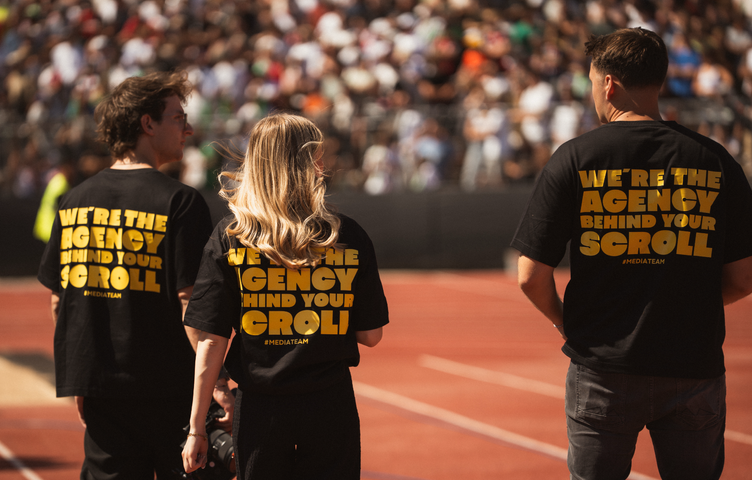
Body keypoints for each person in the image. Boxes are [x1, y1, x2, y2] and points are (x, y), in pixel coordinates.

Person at [511, 27, 752, 480]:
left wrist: (566, 320)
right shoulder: (716, 160)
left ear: (608, 84)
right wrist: (686, 305)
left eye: (591, 82)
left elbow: (530, 275)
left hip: (603, 368)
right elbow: (743, 278)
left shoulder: (575, 158)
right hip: (693, 365)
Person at [37, 71, 231, 480]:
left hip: (103, 392)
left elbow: (59, 301)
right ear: (148, 124)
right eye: (178, 118)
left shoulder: (74, 201)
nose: (188, 129)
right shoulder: (180, 202)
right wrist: (217, 384)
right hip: (170, 392)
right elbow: (190, 302)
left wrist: (81, 380)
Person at [181, 113, 389, 480]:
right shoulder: (347, 236)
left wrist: (197, 429)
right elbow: (371, 336)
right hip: (330, 405)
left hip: (261, 408)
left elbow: (211, 340)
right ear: (308, 163)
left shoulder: (232, 236)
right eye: (317, 156)